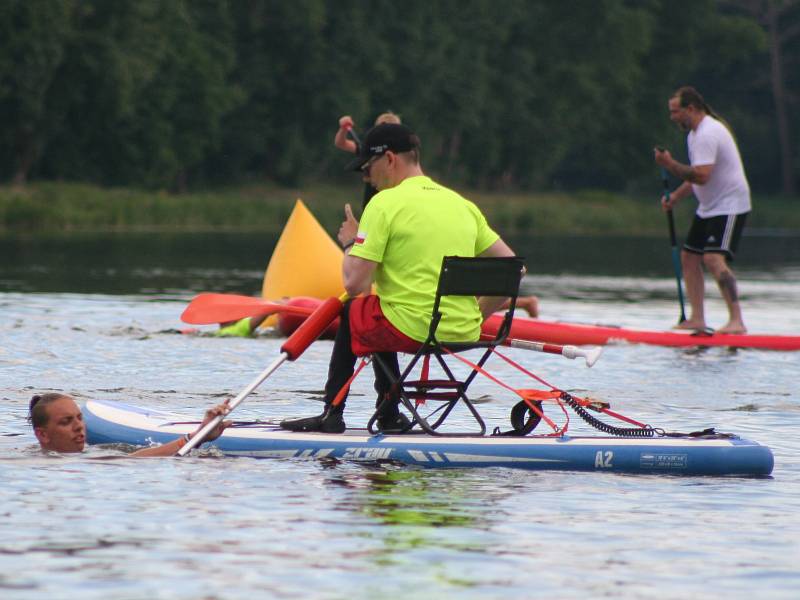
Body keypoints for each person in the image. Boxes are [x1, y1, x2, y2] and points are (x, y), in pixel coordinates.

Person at [281, 123, 522, 434]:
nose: (368, 177)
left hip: (411, 330)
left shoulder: (383, 205)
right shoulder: (463, 206)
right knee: (378, 310)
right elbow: (513, 269)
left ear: (390, 159)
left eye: (368, 167)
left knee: (353, 311)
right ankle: (389, 414)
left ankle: (334, 414)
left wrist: (351, 242)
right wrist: (475, 317)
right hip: (463, 332)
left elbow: (354, 285)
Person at [654, 86, 751, 334]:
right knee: (689, 258)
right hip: (709, 207)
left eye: (675, 112)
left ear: (691, 109)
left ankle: (737, 321)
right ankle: (697, 318)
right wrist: (675, 197)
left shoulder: (709, 132)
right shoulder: (694, 135)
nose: (672, 117)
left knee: (713, 258)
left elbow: (701, 176)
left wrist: (669, 164)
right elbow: (697, 175)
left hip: (730, 205)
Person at [28, 393, 231, 455]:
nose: (78, 426)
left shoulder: (97, 452)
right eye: (66, 422)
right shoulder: (45, 466)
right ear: (43, 435)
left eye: (79, 418)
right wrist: (196, 437)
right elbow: (133, 459)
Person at [334, 111, 403, 211]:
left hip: (392, 204)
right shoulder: (368, 149)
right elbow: (341, 143)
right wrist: (343, 129)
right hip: (370, 205)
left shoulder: (401, 153)